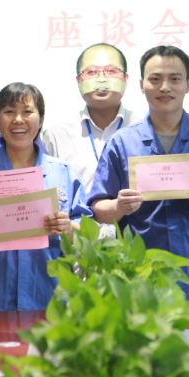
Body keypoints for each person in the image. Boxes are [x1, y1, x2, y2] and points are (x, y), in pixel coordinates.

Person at [90, 45, 189, 302]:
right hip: (141, 280)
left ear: (188, 84)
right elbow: (98, 209)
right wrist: (119, 206)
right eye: (155, 79)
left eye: (174, 79)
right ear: (141, 85)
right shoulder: (121, 143)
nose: (165, 87)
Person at [0, 83, 91, 311]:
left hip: (50, 297)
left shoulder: (63, 172)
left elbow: (87, 235)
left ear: (41, 120)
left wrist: (68, 227)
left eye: (27, 112)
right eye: (9, 112)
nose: (18, 120)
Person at [42, 43, 137, 236]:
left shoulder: (144, 130)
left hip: (136, 242)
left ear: (126, 79)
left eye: (111, 71)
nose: (101, 79)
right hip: (75, 244)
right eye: (91, 72)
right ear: (78, 80)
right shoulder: (56, 136)